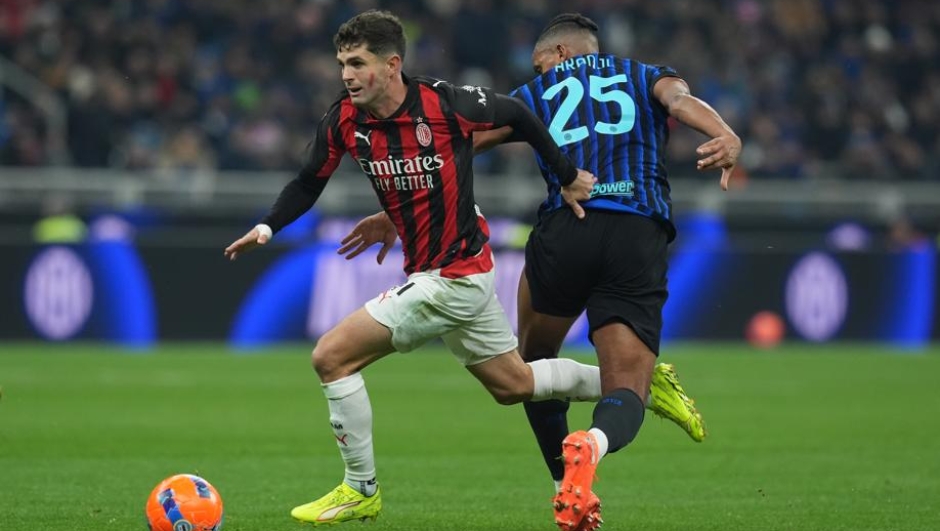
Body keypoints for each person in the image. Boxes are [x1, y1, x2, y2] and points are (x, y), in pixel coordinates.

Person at [339, 12, 740, 531]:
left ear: (562, 53)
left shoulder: (536, 92)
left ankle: (561, 485)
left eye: (539, 62)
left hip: (564, 229)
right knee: (627, 388)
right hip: (636, 233)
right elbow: (681, 102)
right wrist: (725, 134)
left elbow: (457, 147)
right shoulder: (644, 74)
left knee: (533, 366)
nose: (538, 71)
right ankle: (592, 444)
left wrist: (396, 210)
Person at [223, 10, 604, 526]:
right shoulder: (344, 120)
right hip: (451, 271)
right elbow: (309, 181)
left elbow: (518, 112)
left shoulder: (444, 103)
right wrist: (267, 227)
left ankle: (360, 489)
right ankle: (635, 386)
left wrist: (565, 175)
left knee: (331, 357)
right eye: (342, 63)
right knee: (513, 384)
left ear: (391, 64)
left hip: (452, 277)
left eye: (358, 63)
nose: (347, 75)